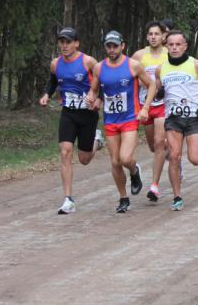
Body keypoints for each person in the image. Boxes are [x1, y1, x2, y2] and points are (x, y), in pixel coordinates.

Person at [86, 31, 154, 213]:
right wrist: (91, 98)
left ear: (122, 46)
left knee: (125, 158)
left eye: (115, 46)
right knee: (115, 162)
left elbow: (152, 85)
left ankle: (134, 171)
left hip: (130, 118)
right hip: (110, 120)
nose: (112, 49)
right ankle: (124, 198)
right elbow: (94, 90)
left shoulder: (133, 65)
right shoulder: (99, 68)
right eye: (108, 46)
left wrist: (146, 107)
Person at [39, 28, 104, 214]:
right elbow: (53, 81)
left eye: (68, 42)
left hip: (88, 114)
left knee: (84, 159)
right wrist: (46, 95)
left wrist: (98, 99)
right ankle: (68, 199)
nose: (64, 46)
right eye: (62, 42)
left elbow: (104, 81)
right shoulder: (55, 64)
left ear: (77, 43)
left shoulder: (88, 61)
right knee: (65, 151)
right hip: (68, 113)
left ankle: (96, 141)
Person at [156, 30, 198, 211]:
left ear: (185, 46)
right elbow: (159, 90)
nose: (174, 48)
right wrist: (159, 93)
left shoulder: (196, 65)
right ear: (167, 46)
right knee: (174, 156)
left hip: (193, 117)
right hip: (173, 118)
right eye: (171, 45)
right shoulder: (161, 68)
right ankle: (177, 196)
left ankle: (181, 161)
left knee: (196, 159)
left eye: (178, 44)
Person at [131, 21, 168, 202]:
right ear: (147, 37)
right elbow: (129, 76)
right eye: (150, 34)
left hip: (163, 104)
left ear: (163, 37)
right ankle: (172, 153)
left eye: (157, 34)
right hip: (144, 105)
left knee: (160, 143)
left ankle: (154, 186)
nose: (154, 37)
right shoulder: (139, 55)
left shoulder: (169, 54)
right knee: (154, 146)